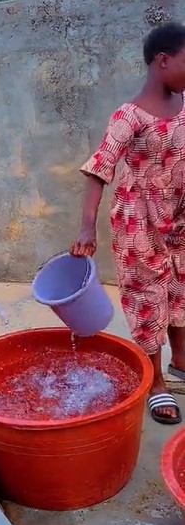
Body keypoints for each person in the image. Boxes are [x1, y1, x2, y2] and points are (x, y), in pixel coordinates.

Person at [71, 21, 185, 426]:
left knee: (180, 290)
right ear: (162, 61)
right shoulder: (128, 116)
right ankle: (156, 383)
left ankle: (181, 361)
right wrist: (88, 228)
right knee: (148, 298)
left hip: (178, 217)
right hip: (138, 221)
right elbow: (98, 170)